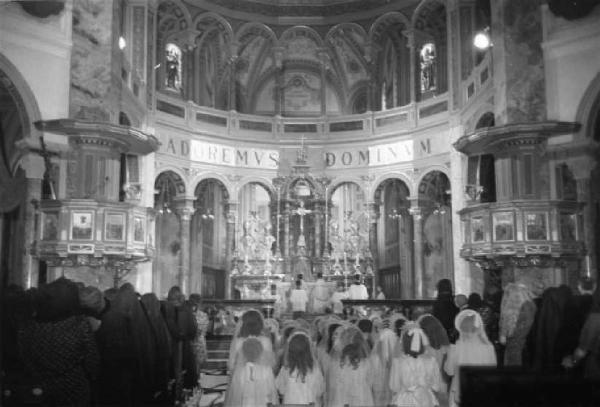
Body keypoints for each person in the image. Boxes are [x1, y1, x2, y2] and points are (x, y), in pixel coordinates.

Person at [18, 278, 100, 406]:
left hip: (41, 387)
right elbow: (92, 360)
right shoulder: (79, 324)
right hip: (74, 386)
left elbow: (25, 356)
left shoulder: (28, 326)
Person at [445, 309, 497, 407]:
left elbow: (449, 371)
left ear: (460, 328)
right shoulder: (489, 348)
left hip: (459, 390)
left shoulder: (456, 348)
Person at [389, 324, 443, 407]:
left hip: (404, 400)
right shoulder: (431, 361)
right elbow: (436, 386)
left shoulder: (397, 362)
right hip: (426, 400)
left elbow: (394, 387)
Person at [326, 326, 376, 407]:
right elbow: (370, 382)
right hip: (362, 398)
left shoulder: (336, 363)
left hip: (341, 399)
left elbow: (332, 386)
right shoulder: (366, 363)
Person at [562, 280, 600, 380]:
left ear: (579, 287)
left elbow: (583, 347)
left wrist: (573, 361)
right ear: (595, 287)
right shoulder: (595, 304)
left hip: (588, 354)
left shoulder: (571, 303)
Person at [225, 337, 278, 407]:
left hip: (245, 402)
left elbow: (236, 392)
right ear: (261, 351)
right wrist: (272, 401)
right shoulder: (267, 369)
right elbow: (271, 389)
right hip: (263, 402)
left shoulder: (239, 371)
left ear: (243, 352)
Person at [276, 331, 325, 406]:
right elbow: (320, 390)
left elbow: (281, 390)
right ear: (309, 349)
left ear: (290, 349)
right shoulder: (315, 370)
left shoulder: (285, 369)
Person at [499, 282, 536, 366]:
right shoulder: (531, 305)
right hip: (528, 347)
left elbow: (503, 339)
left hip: (515, 348)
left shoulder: (515, 311)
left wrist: (503, 332)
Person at [432, 278, 459, 343]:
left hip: (440, 333)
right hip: (453, 332)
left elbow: (435, 318)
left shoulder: (437, 302)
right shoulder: (454, 300)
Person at [189, 293, 209, 373]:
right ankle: (196, 380)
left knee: (192, 365)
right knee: (197, 365)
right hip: (199, 341)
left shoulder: (186, 314)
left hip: (191, 342)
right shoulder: (203, 315)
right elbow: (204, 330)